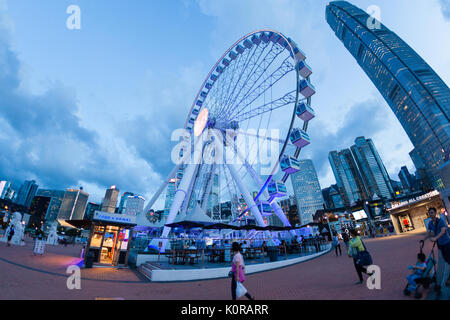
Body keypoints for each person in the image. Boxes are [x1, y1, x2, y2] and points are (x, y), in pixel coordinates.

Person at [423, 207, 450, 287]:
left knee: (448, 258)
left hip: (446, 242)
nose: (431, 214)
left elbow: (443, 231)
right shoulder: (430, 223)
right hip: (440, 244)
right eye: (429, 213)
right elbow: (429, 232)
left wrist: (435, 238)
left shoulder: (440, 221)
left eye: (432, 212)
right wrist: (424, 239)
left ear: (435, 213)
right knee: (446, 259)